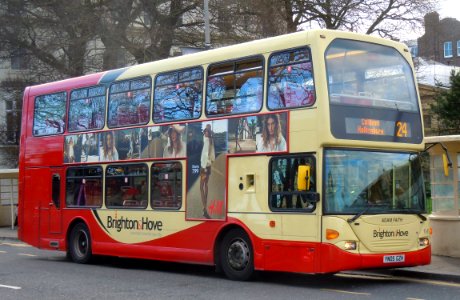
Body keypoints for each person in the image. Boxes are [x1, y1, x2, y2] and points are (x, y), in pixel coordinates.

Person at [200, 124, 215, 218]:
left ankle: (204, 208)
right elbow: (213, 156)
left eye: (207, 131)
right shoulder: (210, 140)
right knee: (206, 185)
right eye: (205, 131)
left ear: (209, 133)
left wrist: (205, 167)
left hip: (204, 167)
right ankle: (204, 208)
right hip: (208, 166)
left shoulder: (207, 141)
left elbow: (206, 155)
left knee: (201, 187)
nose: (205, 132)